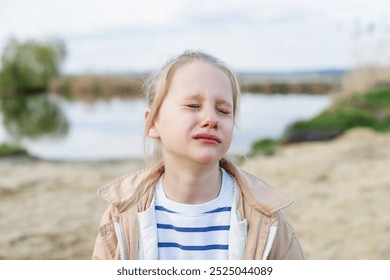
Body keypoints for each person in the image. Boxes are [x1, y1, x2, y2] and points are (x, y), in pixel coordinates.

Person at [92, 50, 304, 260]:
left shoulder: (266, 218)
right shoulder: (121, 216)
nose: (211, 118)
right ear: (153, 123)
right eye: (193, 106)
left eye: (223, 110)